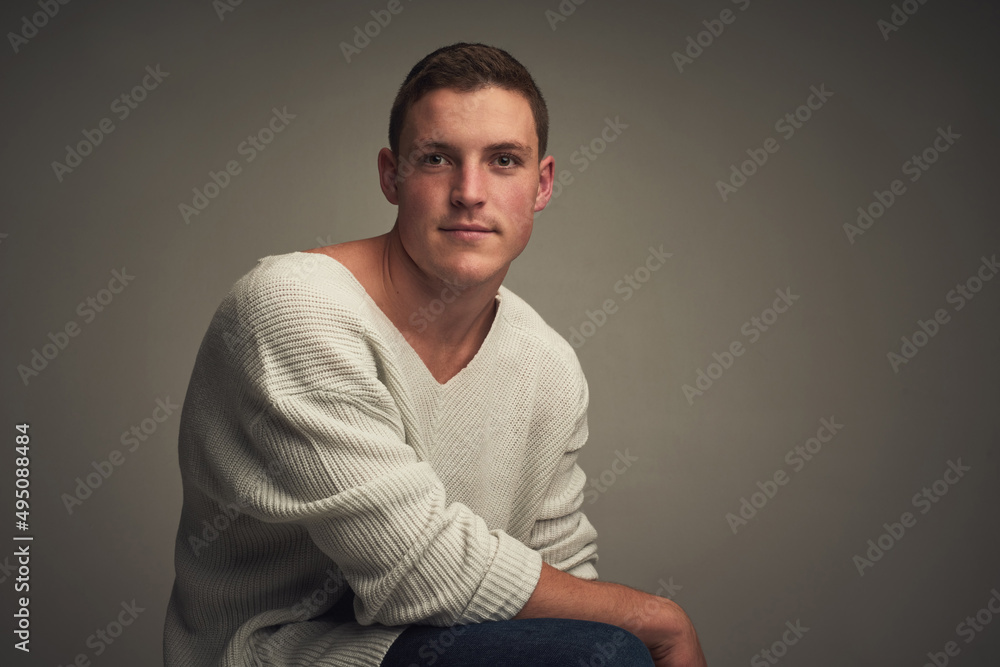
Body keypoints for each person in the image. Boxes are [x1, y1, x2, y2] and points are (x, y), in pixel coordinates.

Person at [163, 42, 707, 667]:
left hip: (448, 645)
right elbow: (412, 569)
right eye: (437, 159)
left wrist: (630, 629)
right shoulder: (292, 308)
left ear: (542, 184)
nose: (470, 192)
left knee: (602, 650)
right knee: (607, 654)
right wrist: (658, 619)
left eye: (504, 160)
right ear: (392, 176)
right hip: (281, 653)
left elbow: (564, 580)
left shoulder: (546, 364)